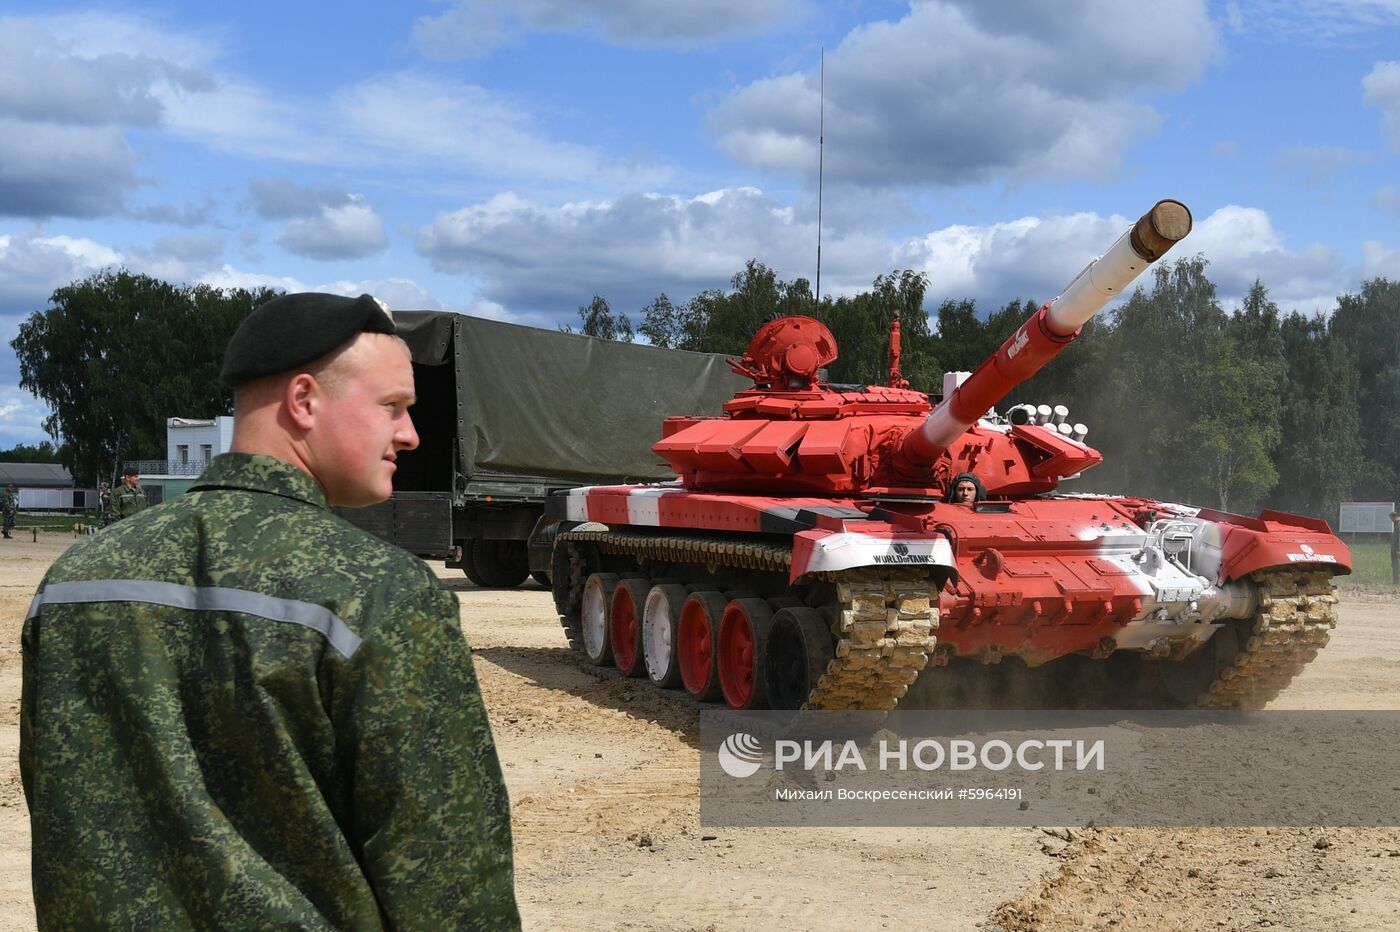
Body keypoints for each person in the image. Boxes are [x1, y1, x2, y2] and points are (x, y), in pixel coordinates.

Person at [21, 292, 520, 929]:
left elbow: (57, 807)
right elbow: (444, 874)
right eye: (392, 407)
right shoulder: (377, 592)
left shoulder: (74, 582)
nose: (411, 434)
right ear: (304, 400)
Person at [1391, 510, 1399, 586]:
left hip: (1397, 550)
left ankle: (1397, 581)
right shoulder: (1396, 524)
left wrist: (1398, 550)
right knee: (1394, 564)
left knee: (1397, 564)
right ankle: (1395, 580)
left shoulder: (1399, 525)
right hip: (1395, 549)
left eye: (1392, 518)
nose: (1391, 520)